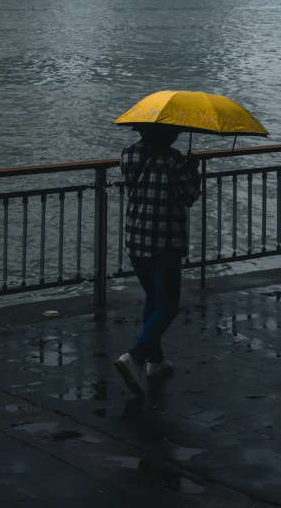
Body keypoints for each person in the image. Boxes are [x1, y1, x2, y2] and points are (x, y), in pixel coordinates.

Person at [114, 123, 201, 397]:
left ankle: (155, 360)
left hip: (136, 238)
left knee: (153, 299)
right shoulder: (173, 159)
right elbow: (188, 196)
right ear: (169, 134)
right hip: (164, 241)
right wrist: (193, 170)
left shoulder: (128, 153)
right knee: (167, 305)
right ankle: (135, 357)